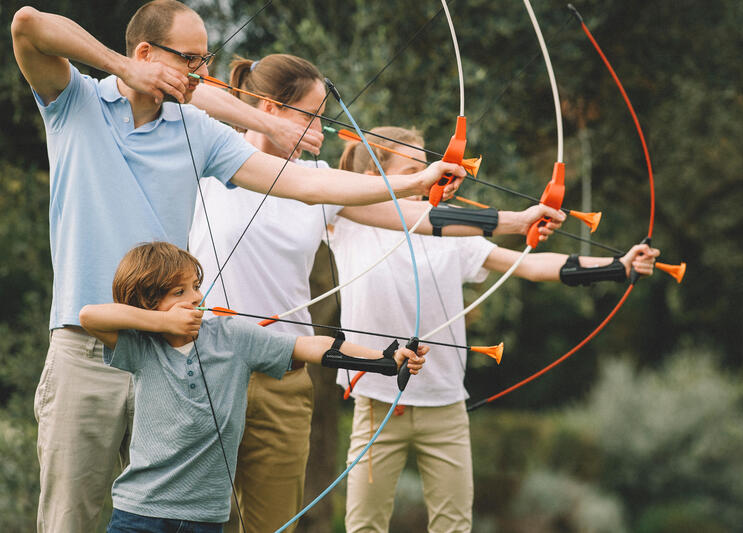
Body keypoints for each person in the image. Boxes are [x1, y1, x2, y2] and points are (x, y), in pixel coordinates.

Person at [10, 1, 465, 531]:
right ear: (145, 53)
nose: (203, 76)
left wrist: (412, 182)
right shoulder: (74, 101)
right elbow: (27, 23)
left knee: (168, 519)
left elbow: (307, 183)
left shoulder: (197, 130)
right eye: (192, 61)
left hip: (169, 356)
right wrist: (122, 67)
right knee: (72, 519)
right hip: (85, 350)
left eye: (206, 61)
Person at [187, 52, 569, 532]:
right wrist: (257, 120)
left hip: (283, 370)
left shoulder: (320, 180)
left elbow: (416, 217)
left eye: (324, 119)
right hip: (205, 363)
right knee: (188, 520)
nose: (320, 132)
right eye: (310, 116)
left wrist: (515, 220)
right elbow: (184, 89)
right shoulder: (208, 146)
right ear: (270, 107)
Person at [330, 127, 660, 533]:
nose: (431, 178)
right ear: (373, 180)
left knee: (454, 527)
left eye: (428, 168)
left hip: (445, 406)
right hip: (377, 401)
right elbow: (313, 184)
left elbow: (531, 267)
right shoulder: (345, 220)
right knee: (363, 526)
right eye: (415, 170)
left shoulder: (452, 234)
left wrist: (617, 266)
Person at [78, 241, 427, 532]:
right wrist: (163, 322)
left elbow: (310, 346)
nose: (195, 297)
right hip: (140, 512)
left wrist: (384, 359)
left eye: (195, 287)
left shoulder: (231, 337)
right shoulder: (141, 347)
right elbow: (89, 316)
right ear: (148, 303)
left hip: (205, 518)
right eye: (179, 292)